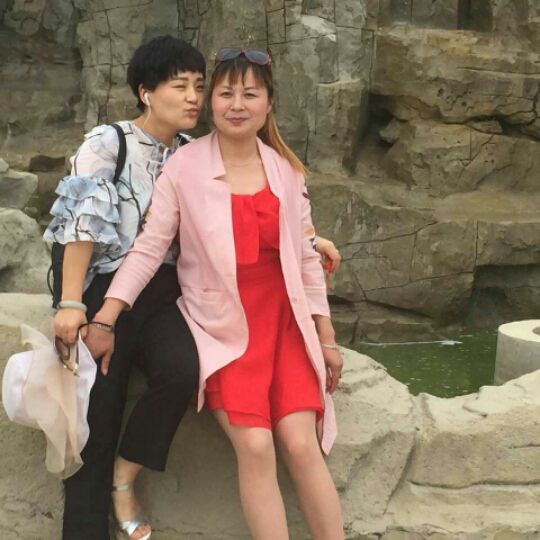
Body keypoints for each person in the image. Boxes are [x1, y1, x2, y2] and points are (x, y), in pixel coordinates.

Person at [46, 37, 340, 540]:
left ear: (269, 103)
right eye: (221, 93)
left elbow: (297, 249)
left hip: (247, 313)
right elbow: (120, 239)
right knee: (245, 443)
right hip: (170, 308)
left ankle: (127, 476)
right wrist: (91, 311)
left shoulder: (274, 168)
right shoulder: (153, 156)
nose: (230, 103)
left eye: (248, 94)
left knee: (287, 435)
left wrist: (325, 329)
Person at [45, 36, 205, 540]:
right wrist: (72, 303)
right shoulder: (109, 143)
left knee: (182, 371)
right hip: (101, 285)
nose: (193, 97)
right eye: (179, 85)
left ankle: (124, 480)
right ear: (146, 92)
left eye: (199, 86)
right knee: (98, 410)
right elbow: (81, 224)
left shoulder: (194, 154)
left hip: (162, 292)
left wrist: (310, 238)